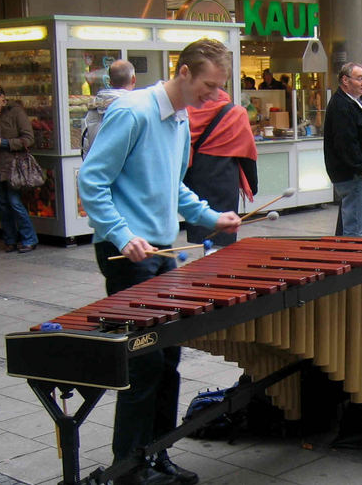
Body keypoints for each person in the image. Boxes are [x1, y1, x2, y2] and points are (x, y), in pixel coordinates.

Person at [79, 38, 242, 485]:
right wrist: (122, 234)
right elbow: (91, 181)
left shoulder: (181, 115)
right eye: (208, 85)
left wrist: (210, 216)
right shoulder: (134, 111)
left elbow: (175, 186)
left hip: (159, 250)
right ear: (184, 72)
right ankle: (129, 466)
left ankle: (158, 454)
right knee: (144, 363)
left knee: (169, 356)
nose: (213, 96)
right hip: (127, 253)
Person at [184, 88, 258, 246]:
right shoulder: (236, 113)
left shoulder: (189, 111)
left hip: (196, 175)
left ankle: (207, 260)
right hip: (224, 177)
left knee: (203, 226)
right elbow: (248, 153)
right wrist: (253, 184)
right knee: (223, 235)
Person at [323, 62, 362, 237]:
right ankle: (354, 258)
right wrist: (361, 169)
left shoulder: (349, 102)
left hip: (356, 175)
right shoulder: (343, 105)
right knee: (357, 226)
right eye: (359, 78)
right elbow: (346, 142)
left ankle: (355, 255)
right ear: (345, 80)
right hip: (353, 176)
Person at [0, 85, 39, 253]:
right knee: (3, 205)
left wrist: (6, 143)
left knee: (14, 203)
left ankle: (29, 238)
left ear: (3, 98)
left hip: (13, 167)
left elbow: (28, 138)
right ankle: (10, 240)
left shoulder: (16, 112)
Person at [81, 59, 136, 160]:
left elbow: (86, 149)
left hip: (99, 173)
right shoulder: (136, 109)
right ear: (133, 79)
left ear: (110, 82)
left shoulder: (93, 112)